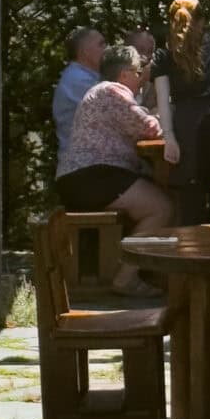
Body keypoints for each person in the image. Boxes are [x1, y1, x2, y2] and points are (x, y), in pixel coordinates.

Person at [56, 43, 174, 297]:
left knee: (152, 197)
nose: (141, 77)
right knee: (161, 208)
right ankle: (125, 278)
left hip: (85, 176)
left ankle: (145, 272)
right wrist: (166, 116)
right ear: (124, 74)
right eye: (138, 71)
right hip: (93, 176)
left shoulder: (103, 92)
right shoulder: (113, 91)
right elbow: (151, 128)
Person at [152, 0, 210, 225]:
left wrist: (169, 137)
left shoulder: (164, 55)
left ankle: (191, 244)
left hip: (188, 127)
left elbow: (163, 99)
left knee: (191, 198)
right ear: (202, 21)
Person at [51, 27, 105, 157]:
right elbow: (118, 112)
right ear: (85, 52)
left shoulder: (89, 77)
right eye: (101, 44)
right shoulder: (78, 79)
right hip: (84, 163)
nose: (107, 49)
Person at [125, 28, 156, 109]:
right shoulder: (118, 77)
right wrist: (141, 81)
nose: (146, 56)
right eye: (140, 50)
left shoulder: (151, 77)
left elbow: (148, 107)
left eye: (150, 51)